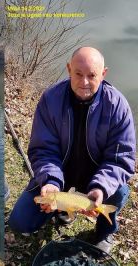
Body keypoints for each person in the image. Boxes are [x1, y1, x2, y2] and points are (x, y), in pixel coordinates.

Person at [8, 47, 136, 254]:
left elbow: (121, 160)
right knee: (20, 222)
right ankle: (62, 211)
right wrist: (50, 181)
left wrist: (101, 188)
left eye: (92, 75)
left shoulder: (117, 106)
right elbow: (43, 150)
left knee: (119, 190)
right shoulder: (50, 99)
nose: (84, 82)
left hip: (96, 178)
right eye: (78, 74)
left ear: (103, 74)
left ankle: (105, 231)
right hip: (59, 178)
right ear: (69, 69)